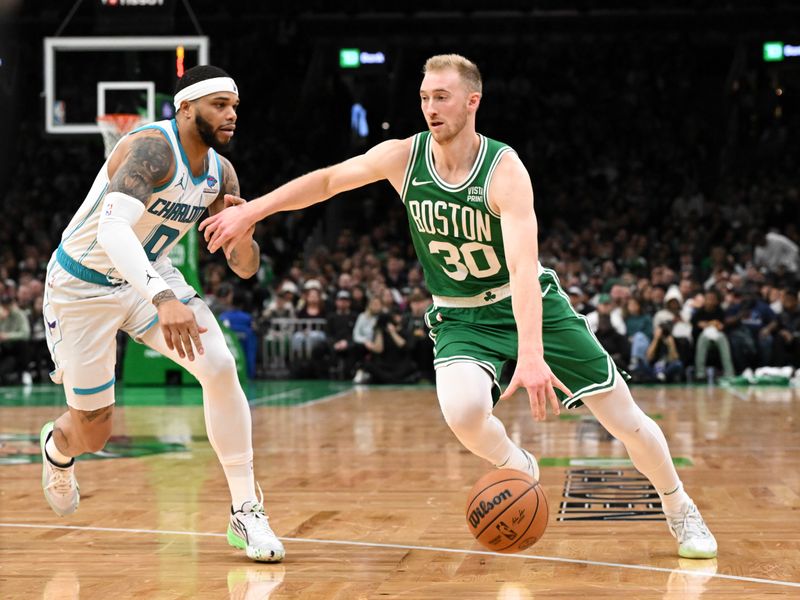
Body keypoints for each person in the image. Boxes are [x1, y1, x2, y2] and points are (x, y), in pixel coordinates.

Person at [200, 54, 716, 558]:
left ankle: (679, 506)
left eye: (441, 97)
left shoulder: (504, 170)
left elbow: (522, 269)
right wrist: (257, 211)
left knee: (623, 418)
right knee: (464, 412)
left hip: (527, 302)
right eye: (424, 97)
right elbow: (331, 180)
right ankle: (517, 463)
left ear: (472, 101)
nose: (430, 107)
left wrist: (532, 354)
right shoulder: (404, 157)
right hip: (460, 313)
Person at [38, 65, 283, 562]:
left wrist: (245, 232)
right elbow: (112, 232)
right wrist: (163, 298)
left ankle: (245, 508)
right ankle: (56, 450)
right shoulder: (150, 149)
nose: (231, 114)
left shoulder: (221, 172)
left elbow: (243, 269)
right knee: (95, 430)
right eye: (219, 105)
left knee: (218, 366)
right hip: (82, 285)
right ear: (186, 108)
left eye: (235, 106)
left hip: (149, 272)